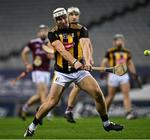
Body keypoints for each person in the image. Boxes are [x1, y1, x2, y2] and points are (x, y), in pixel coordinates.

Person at [24, 8, 123, 137]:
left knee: (98, 93)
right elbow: (62, 50)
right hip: (62, 73)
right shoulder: (52, 33)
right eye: (59, 19)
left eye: (64, 17)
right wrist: (74, 61)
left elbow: (85, 45)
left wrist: (87, 61)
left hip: (80, 72)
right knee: (51, 102)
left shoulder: (81, 29)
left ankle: (106, 124)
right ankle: (32, 126)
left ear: (67, 16)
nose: (63, 20)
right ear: (56, 21)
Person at [64, 7, 94, 123]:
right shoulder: (62, 30)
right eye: (71, 14)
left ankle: (68, 111)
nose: (74, 16)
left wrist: (89, 59)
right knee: (54, 96)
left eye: (76, 14)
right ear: (67, 16)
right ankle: (42, 109)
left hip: (80, 65)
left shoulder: (82, 30)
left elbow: (88, 45)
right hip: (64, 67)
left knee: (78, 87)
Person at [20, 25, 53, 121]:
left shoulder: (49, 43)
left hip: (46, 71)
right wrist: (27, 64)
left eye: (45, 30)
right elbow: (24, 52)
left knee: (40, 95)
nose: (43, 32)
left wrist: (52, 55)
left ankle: (25, 107)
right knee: (43, 93)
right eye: (41, 31)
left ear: (47, 32)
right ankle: (46, 113)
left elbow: (52, 57)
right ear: (38, 33)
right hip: (37, 71)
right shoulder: (33, 42)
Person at [101, 34, 138, 119]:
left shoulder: (127, 52)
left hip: (124, 75)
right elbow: (104, 62)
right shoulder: (110, 51)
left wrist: (133, 73)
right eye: (118, 40)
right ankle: (104, 112)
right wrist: (102, 72)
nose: (120, 41)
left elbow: (130, 63)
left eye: (121, 40)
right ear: (114, 42)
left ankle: (128, 113)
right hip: (113, 75)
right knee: (111, 95)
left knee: (126, 94)